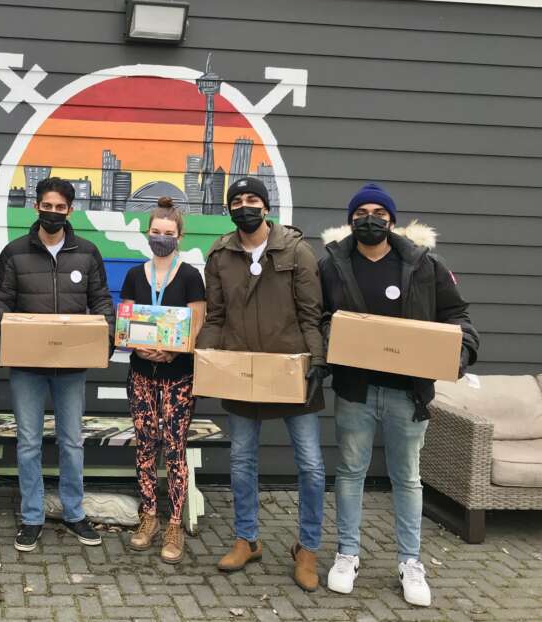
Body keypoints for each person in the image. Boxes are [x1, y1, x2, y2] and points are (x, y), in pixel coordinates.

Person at [319, 183, 479, 607]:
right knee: (350, 472)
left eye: (378, 212)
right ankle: (347, 554)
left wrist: (459, 352)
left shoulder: (424, 264)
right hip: (355, 389)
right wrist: (330, 337)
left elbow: (457, 315)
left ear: (392, 219)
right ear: (350, 220)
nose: (369, 219)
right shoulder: (333, 265)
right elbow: (317, 315)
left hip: (407, 394)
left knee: (406, 478)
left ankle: (410, 561)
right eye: (361, 213)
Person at [202, 176, 327, 592]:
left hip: (291, 371)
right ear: (229, 209)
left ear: (266, 207)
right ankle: (247, 539)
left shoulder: (296, 251)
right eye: (237, 201)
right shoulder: (220, 255)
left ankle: (307, 549)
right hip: (242, 371)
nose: (245, 206)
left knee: (311, 466)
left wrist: (318, 361)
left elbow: (311, 314)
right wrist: (205, 359)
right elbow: (216, 316)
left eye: (252, 199)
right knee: (242, 461)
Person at [0, 176, 115, 552]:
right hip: (27, 366)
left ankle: (74, 512)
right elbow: (0, 303)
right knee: (28, 443)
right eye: (47, 206)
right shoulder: (14, 253)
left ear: (70, 211)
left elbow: (101, 300)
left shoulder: (87, 253)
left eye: (60, 207)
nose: (53, 213)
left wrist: (105, 340)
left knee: (72, 442)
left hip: (71, 365)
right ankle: (32, 516)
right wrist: (0, 345)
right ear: (36, 207)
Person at [121, 197, 205, 564]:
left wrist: (173, 353)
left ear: (179, 237)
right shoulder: (133, 275)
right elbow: (125, 323)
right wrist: (138, 348)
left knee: (174, 448)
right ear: (147, 233)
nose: (161, 238)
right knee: (144, 446)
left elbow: (196, 323)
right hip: (141, 374)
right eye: (156, 231)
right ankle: (149, 515)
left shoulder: (190, 276)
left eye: (168, 233)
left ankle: (174, 523)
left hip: (177, 377)